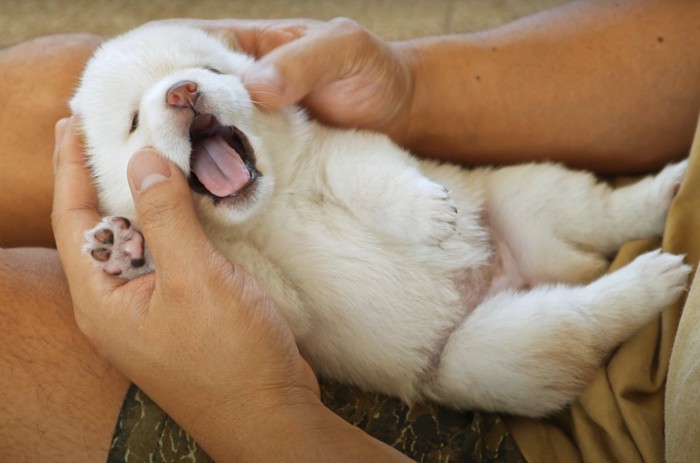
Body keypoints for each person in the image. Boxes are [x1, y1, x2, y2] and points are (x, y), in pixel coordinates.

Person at [1, 0, 699, 460]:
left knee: (529, 196)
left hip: (494, 236)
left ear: (249, 77)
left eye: (205, 70)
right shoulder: (219, 248)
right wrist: (411, 82)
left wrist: (264, 417)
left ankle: (631, 213)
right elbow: (287, 308)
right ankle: (610, 301)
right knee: (504, 360)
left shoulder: (307, 149)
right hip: (451, 346)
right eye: (133, 122)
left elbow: (359, 166)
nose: (179, 93)